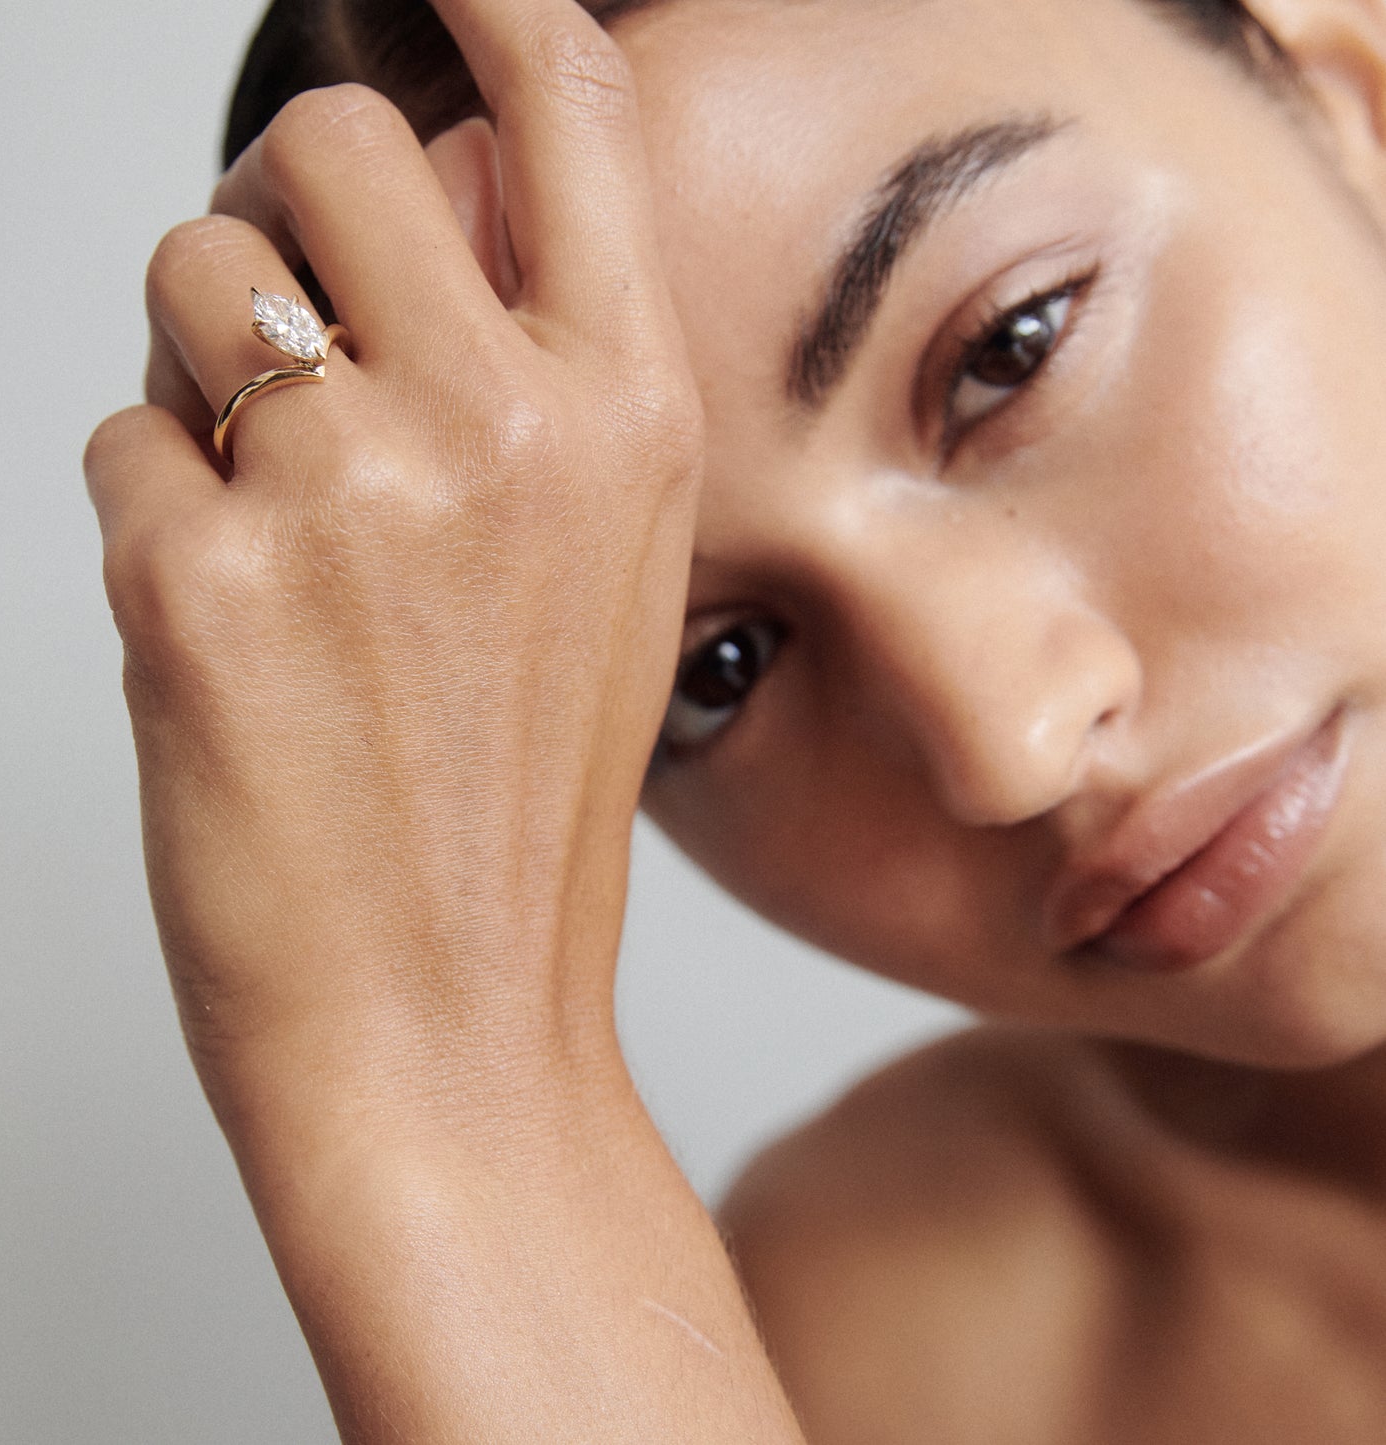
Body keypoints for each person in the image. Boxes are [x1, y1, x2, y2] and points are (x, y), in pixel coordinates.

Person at [84, 0, 1386, 1437]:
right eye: (716, 667)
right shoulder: (893, 1348)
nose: (1005, 745)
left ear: (1357, 109)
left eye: (1009, 349)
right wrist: (428, 1080)